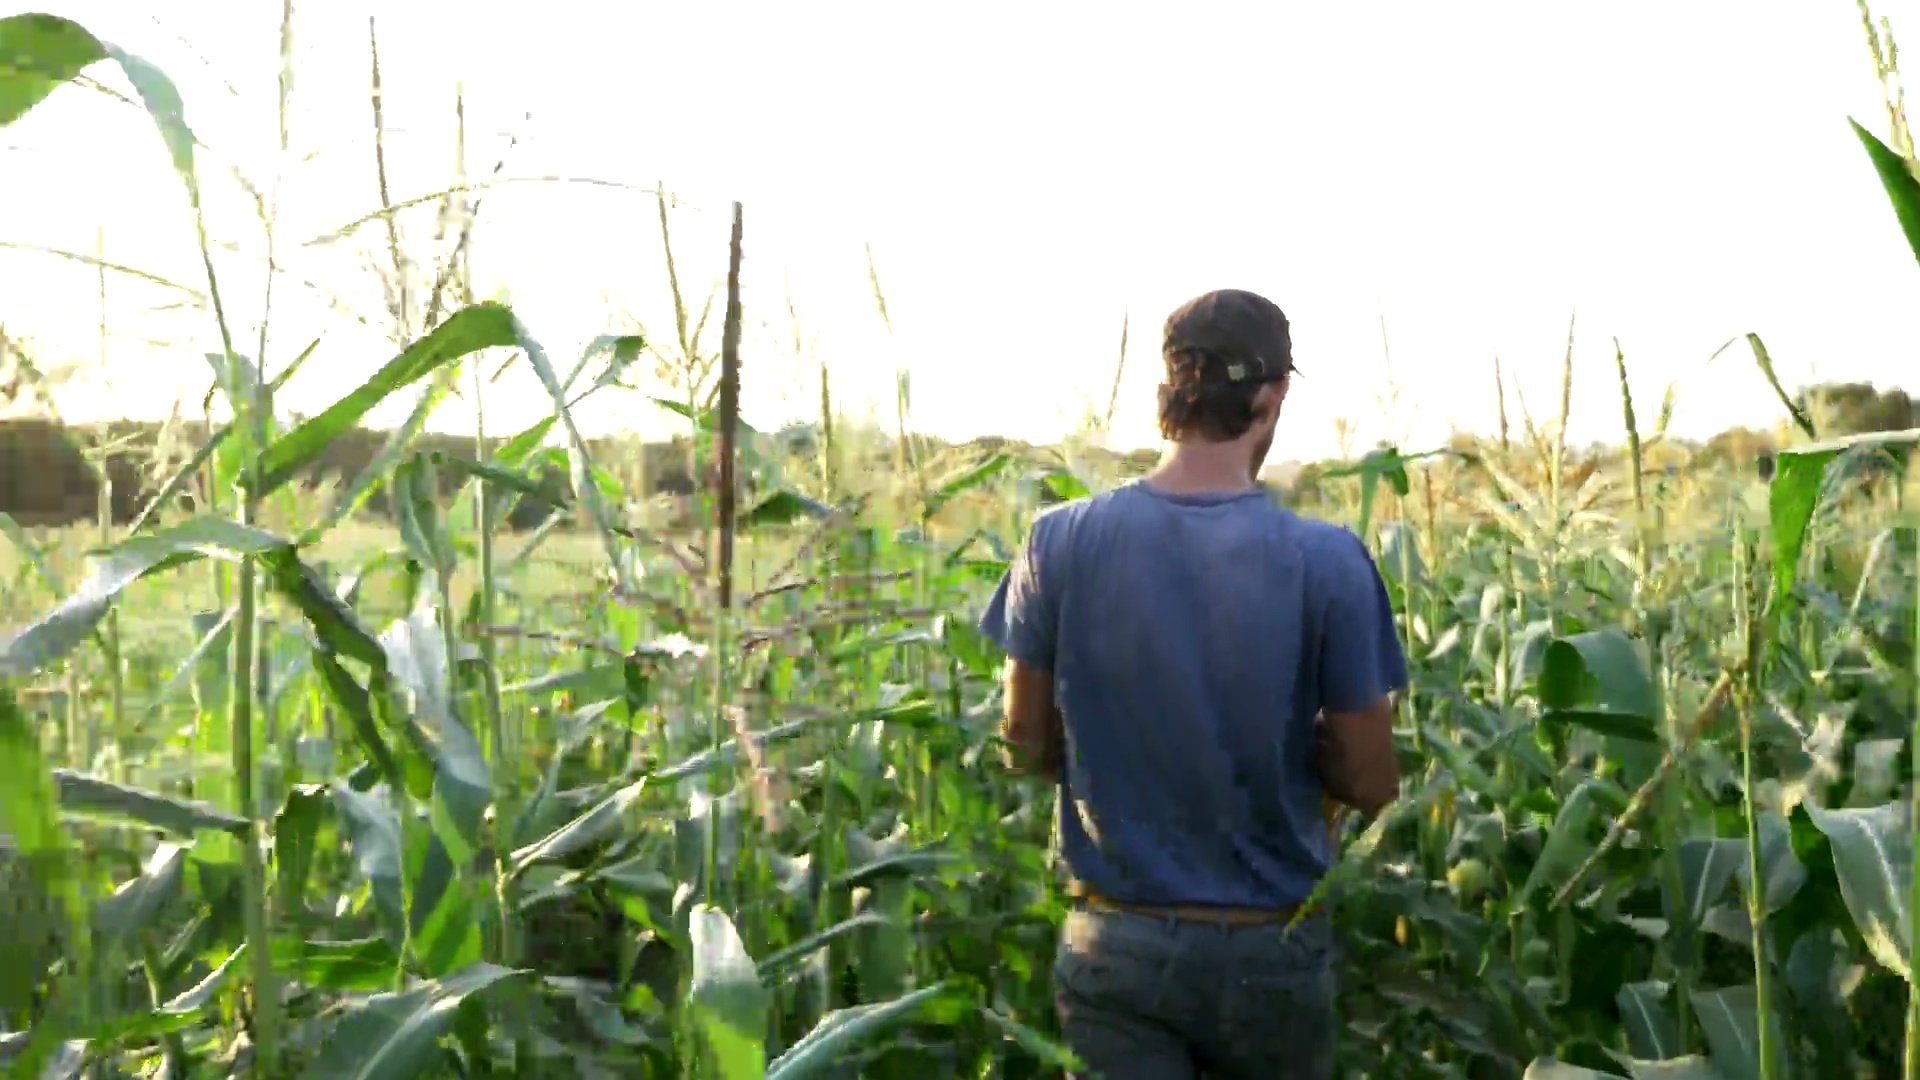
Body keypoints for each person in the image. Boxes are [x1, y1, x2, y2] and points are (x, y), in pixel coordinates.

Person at [978, 288, 1407, 1079]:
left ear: (1169, 390)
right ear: (1273, 397)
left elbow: (1023, 743)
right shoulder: (1329, 561)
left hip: (1116, 945)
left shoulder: (1058, 542)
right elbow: (1374, 780)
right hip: (1271, 950)